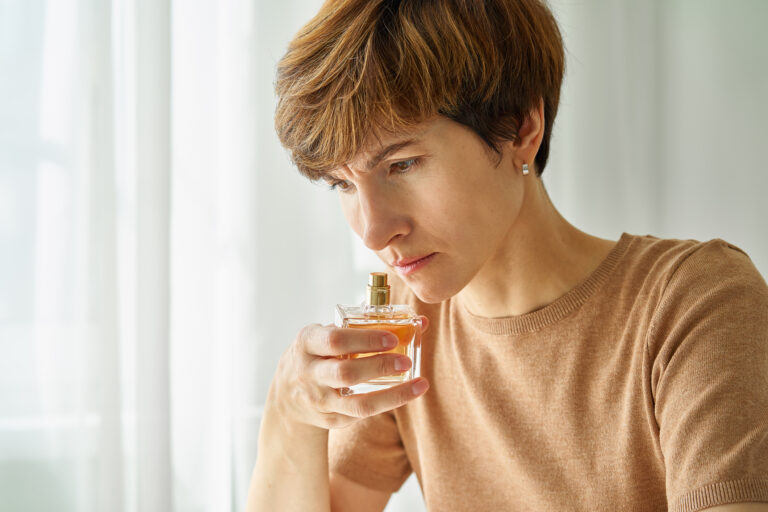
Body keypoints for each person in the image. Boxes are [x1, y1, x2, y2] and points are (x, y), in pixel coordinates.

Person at [246, 0, 768, 510]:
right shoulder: (408, 326)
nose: (374, 232)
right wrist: (290, 413)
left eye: (402, 165)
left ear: (521, 127)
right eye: (342, 183)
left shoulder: (696, 305)